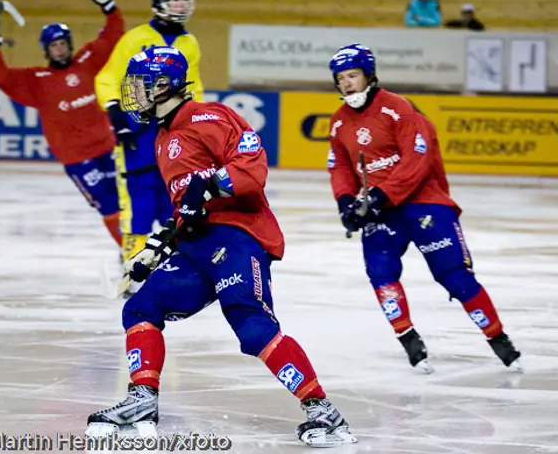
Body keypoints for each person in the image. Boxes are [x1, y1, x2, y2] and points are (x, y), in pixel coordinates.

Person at [85, 46, 356, 448]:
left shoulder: (206, 116)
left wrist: (208, 183)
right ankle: (142, 400)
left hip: (238, 236)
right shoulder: (163, 139)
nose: (134, 96)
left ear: (163, 85)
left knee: (252, 325)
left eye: (140, 86)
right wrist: (158, 245)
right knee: (141, 307)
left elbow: (253, 167)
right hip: (197, 246)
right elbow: (189, 209)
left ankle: (323, 412)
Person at [326, 44, 522, 374]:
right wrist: (346, 201)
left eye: (353, 76)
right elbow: (340, 168)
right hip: (382, 210)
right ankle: (408, 338)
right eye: (341, 78)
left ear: (369, 75)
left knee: (455, 277)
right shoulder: (338, 123)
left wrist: (378, 197)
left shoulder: (399, 109)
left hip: (423, 203)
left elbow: (416, 162)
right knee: (380, 273)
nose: (347, 84)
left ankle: (497, 338)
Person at [0, 0, 126, 247]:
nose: (58, 50)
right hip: (78, 159)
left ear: (69, 45)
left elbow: (114, 36)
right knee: (110, 206)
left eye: (62, 44)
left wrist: (109, 7)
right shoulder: (37, 81)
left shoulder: (87, 62)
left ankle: (140, 249)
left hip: (108, 148)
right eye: (53, 46)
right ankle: (130, 253)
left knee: (130, 199)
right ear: (46, 50)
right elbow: (3, 76)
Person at [95, 0, 203, 264]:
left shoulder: (189, 43)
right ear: (158, 3)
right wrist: (115, 112)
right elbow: (107, 78)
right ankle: (132, 261)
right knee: (138, 201)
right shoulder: (135, 38)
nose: (181, 4)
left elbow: (194, 86)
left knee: (174, 199)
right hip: (137, 133)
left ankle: (172, 264)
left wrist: (196, 121)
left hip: (171, 132)